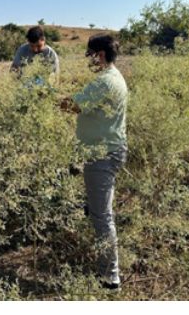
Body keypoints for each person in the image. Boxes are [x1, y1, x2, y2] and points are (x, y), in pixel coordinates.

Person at [61, 34, 128, 290]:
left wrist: (46, 97)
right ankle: (104, 264)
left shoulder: (103, 82)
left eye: (89, 54)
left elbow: (72, 106)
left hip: (102, 155)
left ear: (99, 55)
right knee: (99, 210)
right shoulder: (113, 77)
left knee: (102, 217)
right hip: (108, 150)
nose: (87, 59)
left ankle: (111, 277)